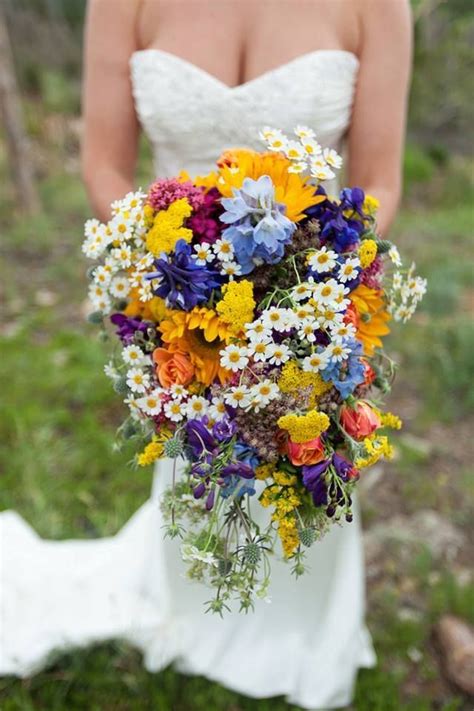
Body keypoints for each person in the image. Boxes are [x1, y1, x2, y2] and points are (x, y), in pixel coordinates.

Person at [0, 1, 412, 707]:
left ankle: (305, 628)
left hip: (304, 301)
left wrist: (305, 283)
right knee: (203, 459)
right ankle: (192, 604)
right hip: (181, 297)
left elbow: (380, 180)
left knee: (300, 461)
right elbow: (103, 163)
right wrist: (179, 272)